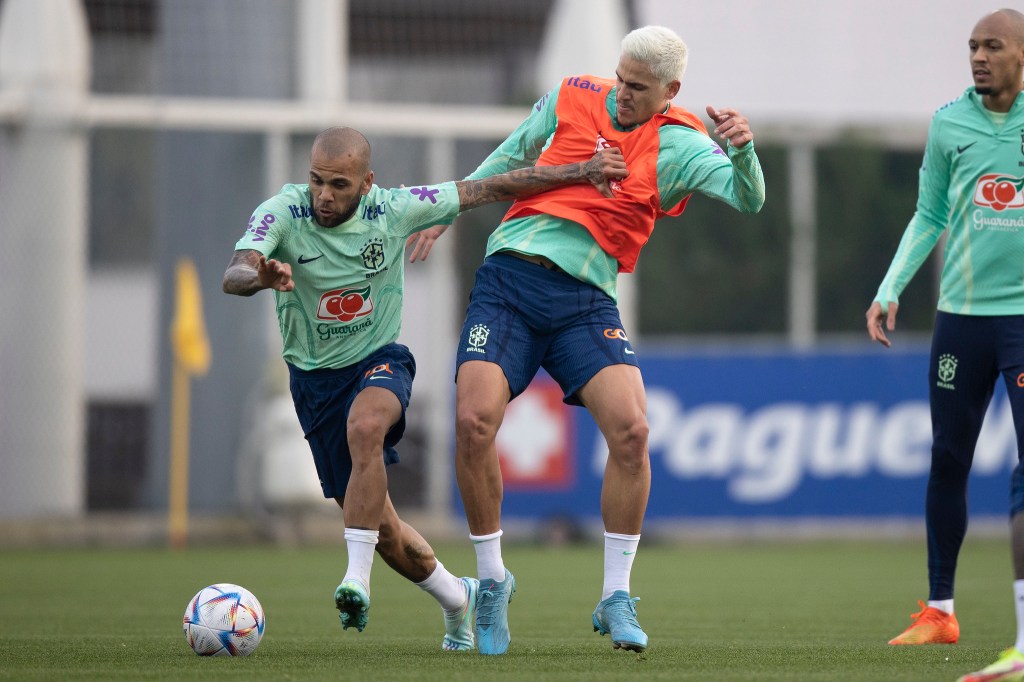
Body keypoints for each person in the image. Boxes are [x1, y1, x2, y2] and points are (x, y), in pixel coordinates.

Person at [222, 126, 626, 650]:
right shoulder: (283, 211)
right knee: (386, 531)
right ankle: (458, 597)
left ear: (367, 182)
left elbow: (496, 187)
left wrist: (582, 171)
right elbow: (235, 271)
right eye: (317, 181)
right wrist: (260, 276)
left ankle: (355, 579)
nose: (325, 195)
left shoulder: (395, 209)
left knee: (366, 426)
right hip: (313, 382)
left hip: (378, 363)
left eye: (339, 184)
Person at [450, 25, 765, 655]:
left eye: (638, 87)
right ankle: (491, 582)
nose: (621, 93)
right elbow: (507, 158)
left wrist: (744, 152)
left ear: (670, 91)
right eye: (619, 78)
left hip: (584, 302)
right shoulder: (571, 95)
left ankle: (615, 594)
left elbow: (747, 198)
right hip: (509, 280)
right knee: (473, 421)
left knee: (634, 432)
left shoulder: (680, 145)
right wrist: (445, 209)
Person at [864, 9, 1024, 681]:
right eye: (972, 47)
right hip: (959, 320)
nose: (979, 57)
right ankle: (940, 610)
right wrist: (890, 286)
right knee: (947, 458)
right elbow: (929, 213)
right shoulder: (948, 123)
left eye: (993, 46)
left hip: (1022, 319)